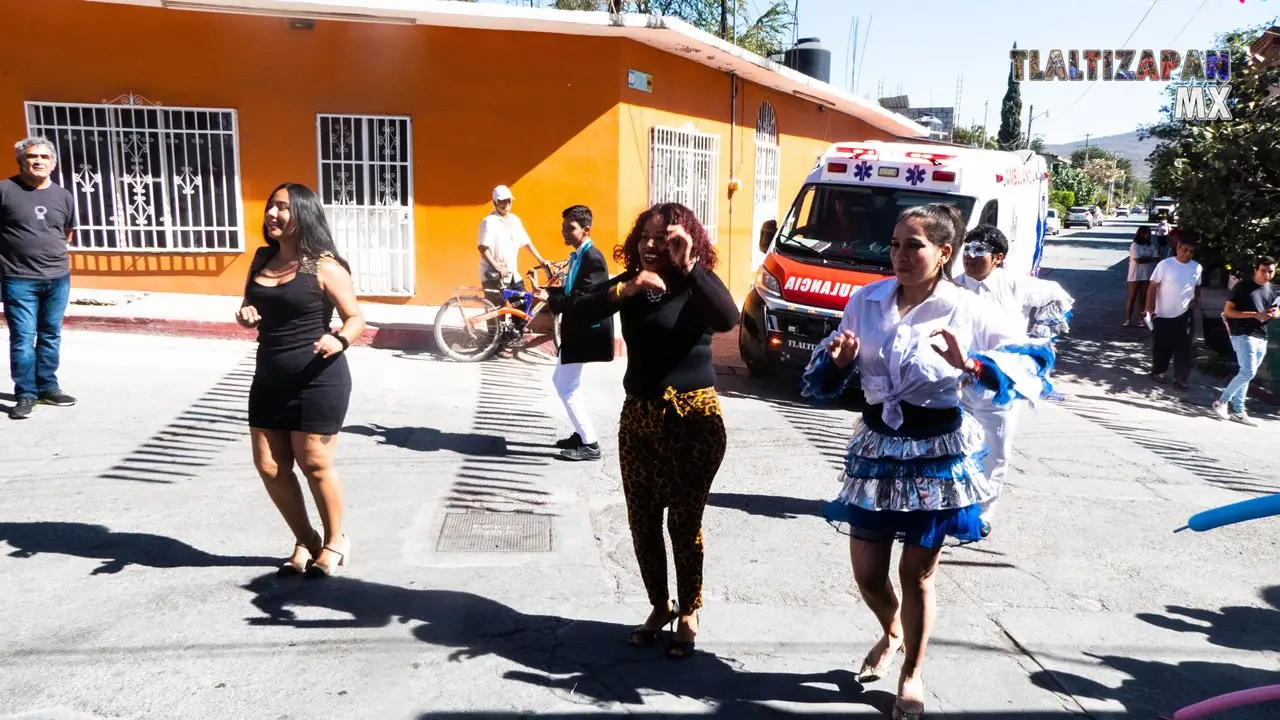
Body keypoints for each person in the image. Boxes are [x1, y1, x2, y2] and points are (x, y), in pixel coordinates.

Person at [801, 205, 1053, 720]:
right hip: (876, 447)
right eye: (894, 244)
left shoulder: (969, 308)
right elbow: (827, 371)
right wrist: (839, 361)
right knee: (869, 574)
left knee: (916, 573)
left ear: (943, 253)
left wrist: (972, 365)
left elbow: (1030, 361)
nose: (900, 255)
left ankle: (912, 671)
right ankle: (891, 629)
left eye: (913, 245)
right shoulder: (866, 300)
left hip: (936, 450)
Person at [565, 202, 738, 660]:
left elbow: (728, 318)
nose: (650, 243)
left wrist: (690, 267)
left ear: (684, 241)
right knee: (642, 521)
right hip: (639, 417)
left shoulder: (696, 284)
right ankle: (660, 606)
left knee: (684, 521)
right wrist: (626, 290)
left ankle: (690, 610)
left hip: (694, 419)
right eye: (644, 234)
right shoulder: (630, 284)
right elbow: (578, 311)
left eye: (662, 237)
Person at [236, 183, 365, 579]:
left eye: (282, 208)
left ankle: (335, 539)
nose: (272, 215)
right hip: (269, 376)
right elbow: (249, 304)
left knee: (315, 463)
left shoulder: (323, 265)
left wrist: (338, 339)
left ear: (304, 215)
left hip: (317, 378)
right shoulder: (262, 259)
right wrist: (245, 314)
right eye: (270, 207)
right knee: (270, 465)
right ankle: (306, 539)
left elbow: (356, 318)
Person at [952, 224, 1072, 535]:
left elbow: (1058, 296)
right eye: (967, 250)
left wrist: (1041, 339)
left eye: (979, 252)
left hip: (1000, 386)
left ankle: (982, 514)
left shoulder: (1015, 285)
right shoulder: (951, 288)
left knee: (996, 449)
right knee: (953, 447)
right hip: (957, 383)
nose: (970, 257)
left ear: (998, 257)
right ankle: (950, 507)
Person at [1, 136, 78, 420]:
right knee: (23, 338)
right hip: (18, 279)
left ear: (54, 163)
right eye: (32, 157)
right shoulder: (5, 191)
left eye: (45, 157)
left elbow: (65, 232)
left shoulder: (63, 195)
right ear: (21, 161)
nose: (38, 161)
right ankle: (25, 393)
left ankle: (48, 387)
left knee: (50, 335)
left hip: (58, 277)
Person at [542, 204, 615, 461]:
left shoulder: (593, 259)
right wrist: (550, 293)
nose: (564, 232)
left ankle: (590, 444)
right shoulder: (579, 256)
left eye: (569, 228)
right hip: (574, 331)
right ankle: (580, 434)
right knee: (560, 381)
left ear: (586, 230)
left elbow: (585, 302)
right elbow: (574, 292)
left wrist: (553, 301)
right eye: (563, 227)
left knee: (566, 387)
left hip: (585, 333)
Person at [1212, 256, 1278, 425]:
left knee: (1247, 374)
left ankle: (1239, 410)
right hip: (1242, 333)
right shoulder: (1243, 286)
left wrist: (1273, 314)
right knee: (1248, 372)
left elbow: (1278, 312)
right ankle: (1222, 402)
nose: (1266, 274)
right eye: (1263, 270)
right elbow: (1227, 311)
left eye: (1270, 271)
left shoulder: (1274, 290)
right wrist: (1254, 314)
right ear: (1256, 270)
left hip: (1261, 335)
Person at [478, 185, 550, 325]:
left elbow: (527, 242)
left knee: (522, 303)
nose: (506, 204)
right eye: (502, 201)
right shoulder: (489, 222)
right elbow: (482, 248)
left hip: (511, 272)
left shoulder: (515, 220)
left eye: (509, 201)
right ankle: (494, 344)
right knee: (497, 311)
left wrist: (541, 260)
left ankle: (515, 335)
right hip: (492, 273)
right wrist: (497, 267)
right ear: (494, 202)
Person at [1145, 236, 1202, 391]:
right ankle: (1159, 371)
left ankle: (1181, 377)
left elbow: (1197, 286)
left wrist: (1196, 299)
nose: (1188, 254)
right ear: (1178, 249)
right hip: (1164, 313)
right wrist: (1149, 307)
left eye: (1191, 252)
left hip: (1185, 313)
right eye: (1185, 250)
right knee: (1163, 345)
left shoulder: (1196, 267)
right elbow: (1152, 286)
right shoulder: (1166, 265)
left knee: (1184, 346)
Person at [1125, 226, 1159, 327]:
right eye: (1146, 233)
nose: (1148, 235)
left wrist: (1146, 258)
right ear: (1141, 234)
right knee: (1132, 297)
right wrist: (1150, 258)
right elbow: (1138, 260)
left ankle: (1141, 319)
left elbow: (1157, 258)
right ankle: (1127, 319)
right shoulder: (1134, 245)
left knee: (1143, 298)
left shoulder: (1151, 246)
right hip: (1135, 275)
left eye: (1149, 233)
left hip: (1147, 275)